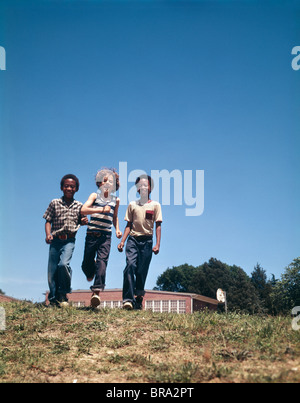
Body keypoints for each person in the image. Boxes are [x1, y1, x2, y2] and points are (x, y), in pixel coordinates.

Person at [118, 174, 162, 310]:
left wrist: (157, 244)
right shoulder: (132, 205)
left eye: (146, 185)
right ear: (137, 189)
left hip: (147, 242)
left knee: (142, 271)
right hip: (133, 240)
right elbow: (128, 225)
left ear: (150, 188)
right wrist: (122, 241)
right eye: (140, 185)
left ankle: (139, 297)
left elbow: (158, 225)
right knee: (130, 266)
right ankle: (128, 300)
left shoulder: (155, 205)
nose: (143, 187)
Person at [43, 174, 88, 307]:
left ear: (76, 189)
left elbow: (83, 219)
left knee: (63, 265)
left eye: (72, 187)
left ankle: (63, 293)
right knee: (52, 271)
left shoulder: (79, 205)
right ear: (62, 188)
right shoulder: (55, 203)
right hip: (55, 240)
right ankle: (53, 299)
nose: (69, 188)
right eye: (66, 186)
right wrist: (48, 234)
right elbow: (48, 221)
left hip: (69, 241)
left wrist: (84, 221)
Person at [81, 168, 122, 307]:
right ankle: (90, 268)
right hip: (91, 234)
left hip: (106, 235)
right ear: (99, 183)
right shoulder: (94, 196)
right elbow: (83, 210)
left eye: (111, 181)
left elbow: (114, 217)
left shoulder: (116, 200)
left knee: (102, 262)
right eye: (104, 180)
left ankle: (96, 291)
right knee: (87, 264)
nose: (107, 183)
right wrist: (100, 209)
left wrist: (117, 229)